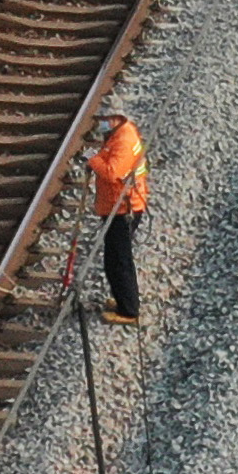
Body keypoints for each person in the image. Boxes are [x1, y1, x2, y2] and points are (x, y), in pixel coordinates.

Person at [86, 110, 149, 325]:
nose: (100, 125)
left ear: (115, 118)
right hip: (118, 207)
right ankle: (124, 301)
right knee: (114, 259)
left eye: (103, 120)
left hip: (123, 210)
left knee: (119, 261)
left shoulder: (124, 140)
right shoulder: (118, 135)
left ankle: (129, 311)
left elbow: (112, 172)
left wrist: (92, 161)